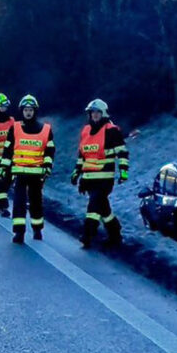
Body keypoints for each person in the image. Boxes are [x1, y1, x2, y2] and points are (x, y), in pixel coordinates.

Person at [71, 98, 129, 248]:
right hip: (89, 178)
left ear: (103, 113)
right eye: (92, 112)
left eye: (97, 112)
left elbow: (122, 153)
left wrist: (123, 172)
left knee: (93, 207)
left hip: (104, 178)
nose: (95, 115)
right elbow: (82, 155)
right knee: (103, 208)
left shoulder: (111, 130)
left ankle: (87, 235)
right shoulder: (85, 131)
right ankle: (115, 235)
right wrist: (77, 173)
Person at [6, 94, 54, 243]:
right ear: (22, 111)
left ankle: (37, 229)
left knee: (36, 202)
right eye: (26, 109)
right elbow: (8, 150)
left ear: (35, 111)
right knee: (19, 203)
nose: (28, 112)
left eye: (30, 109)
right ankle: (19, 233)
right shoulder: (14, 128)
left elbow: (49, 150)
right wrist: (4, 167)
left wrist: (47, 165)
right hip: (19, 173)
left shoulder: (46, 129)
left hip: (36, 174)